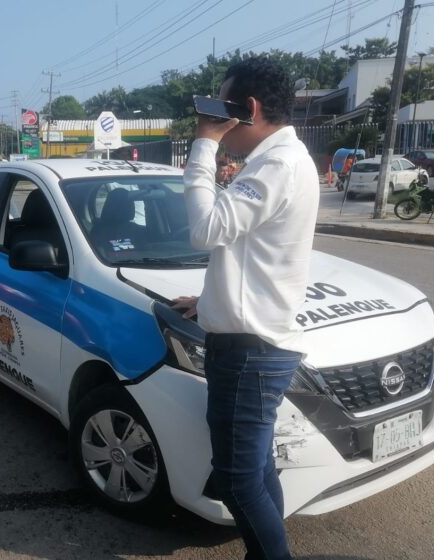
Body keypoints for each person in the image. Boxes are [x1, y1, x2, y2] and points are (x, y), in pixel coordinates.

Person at [173, 57, 319, 560]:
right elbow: (253, 253)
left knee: (236, 482)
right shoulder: (280, 161)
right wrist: (209, 299)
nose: (214, 119)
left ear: (248, 109)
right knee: (256, 472)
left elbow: (205, 230)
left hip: (250, 352)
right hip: (255, 341)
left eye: (220, 107)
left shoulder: (278, 165)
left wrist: (204, 143)